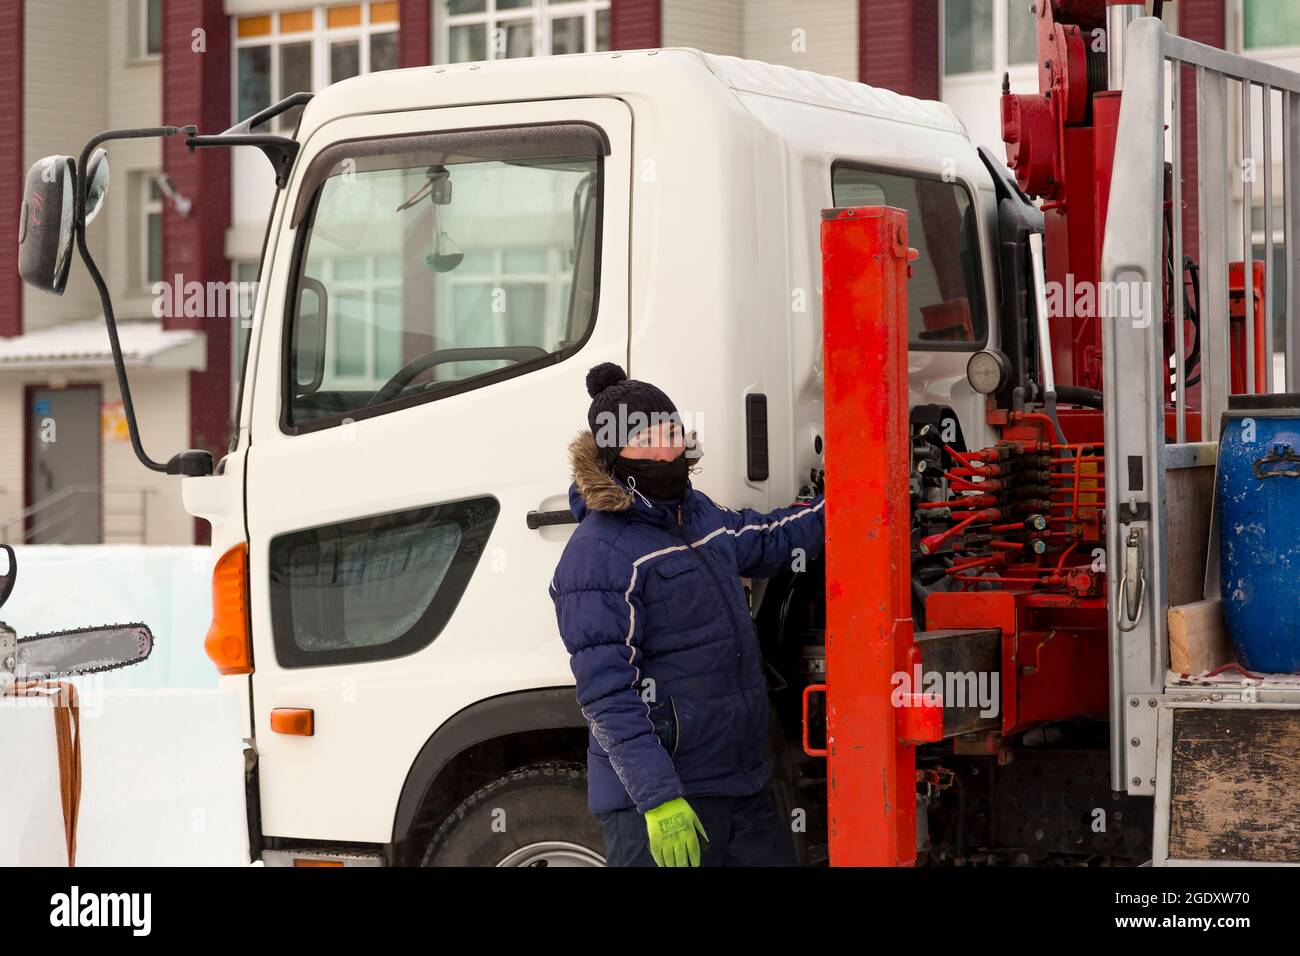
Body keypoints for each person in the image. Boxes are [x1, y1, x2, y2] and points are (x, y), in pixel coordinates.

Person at [548, 362, 825, 867]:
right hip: (665, 800)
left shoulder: (696, 515)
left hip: (740, 782)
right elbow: (607, 695)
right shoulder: (597, 556)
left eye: (671, 432)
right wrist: (658, 799)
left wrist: (846, 503)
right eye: (646, 439)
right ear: (614, 456)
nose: (665, 449)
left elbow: (767, 539)